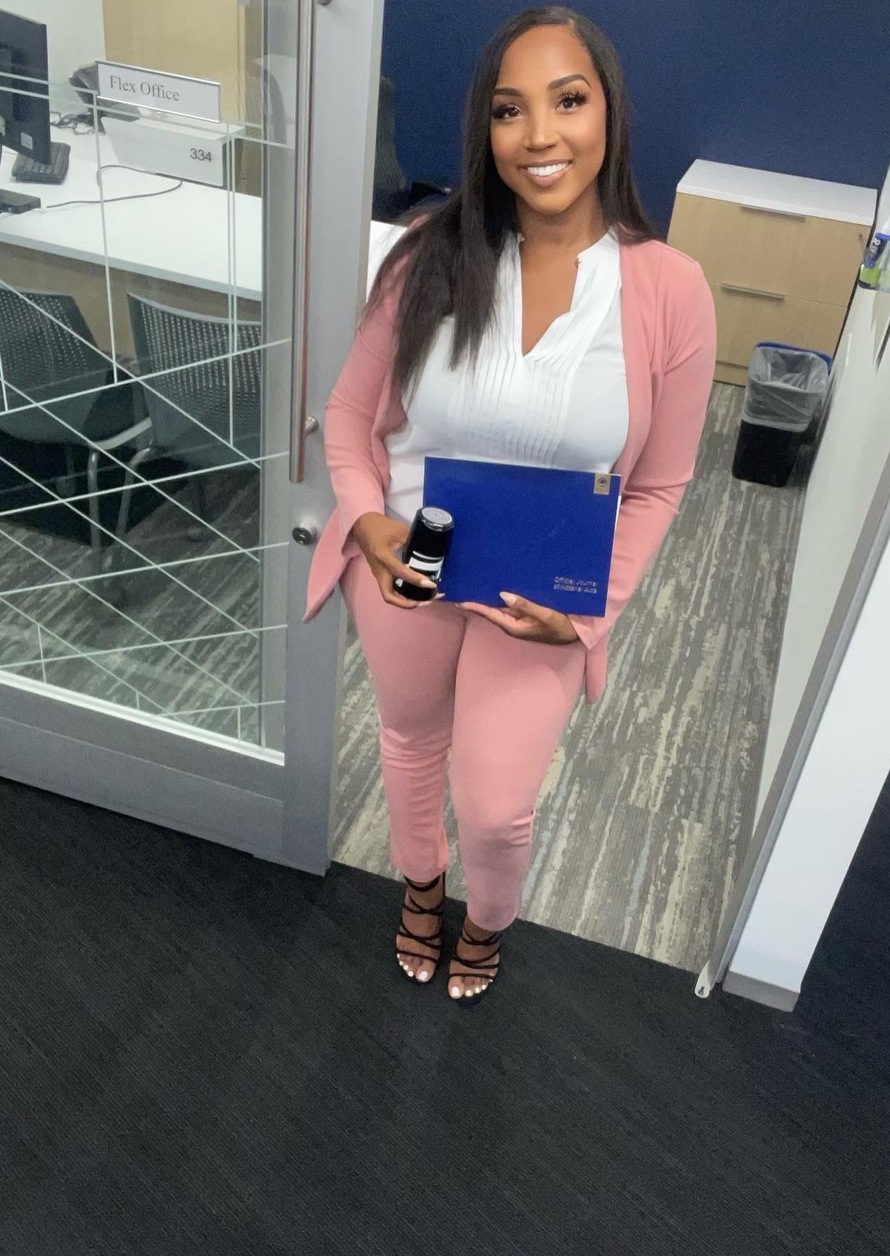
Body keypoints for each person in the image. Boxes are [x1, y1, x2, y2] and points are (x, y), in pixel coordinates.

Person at [305, 6, 716, 1005]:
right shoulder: (428, 254)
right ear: (483, 131)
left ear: (608, 114)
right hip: (412, 560)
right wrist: (365, 519)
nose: (539, 135)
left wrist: (589, 612)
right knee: (410, 743)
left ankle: (486, 917)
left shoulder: (669, 290)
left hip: (542, 588)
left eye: (567, 101)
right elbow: (349, 416)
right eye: (508, 109)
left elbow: (659, 483)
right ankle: (420, 885)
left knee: (495, 804)